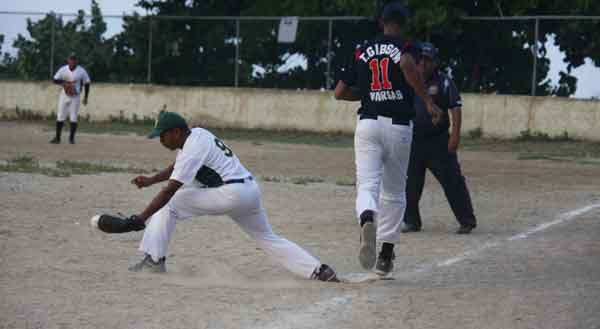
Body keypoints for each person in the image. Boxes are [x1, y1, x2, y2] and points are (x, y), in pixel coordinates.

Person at [125, 111, 339, 282]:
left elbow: (169, 190)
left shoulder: (192, 147)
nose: (160, 139)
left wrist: (140, 219)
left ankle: (154, 260)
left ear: (177, 132)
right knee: (267, 237)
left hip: (231, 194)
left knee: (170, 202)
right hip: (249, 190)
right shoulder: (198, 135)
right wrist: (152, 180)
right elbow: (177, 167)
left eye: (163, 134)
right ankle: (319, 270)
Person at [334, 2, 442, 276]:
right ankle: (385, 256)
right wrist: (428, 101)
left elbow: (339, 92)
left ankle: (367, 217)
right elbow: (406, 64)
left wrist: (367, 93)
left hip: (368, 123)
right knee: (394, 192)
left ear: (381, 22)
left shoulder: (362, 50)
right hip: (398, 126)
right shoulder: (408, 46)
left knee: (367, 185)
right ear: (403, 24)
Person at [401, 42, 477, 234]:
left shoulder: (444, 82)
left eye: (428, 61)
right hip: (414, 142)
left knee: (453, 181)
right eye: (420, 60)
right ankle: (411, 221)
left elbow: (455, 108)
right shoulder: (409, 82)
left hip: (439, 142)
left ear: (435, 62)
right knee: (410, 184)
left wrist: (456, 136)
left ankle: (466, 220)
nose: (423, 65)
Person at [50, 53, 91, 144]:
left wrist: (86, 97)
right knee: (60, 115)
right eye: (71, 59)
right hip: (64, 95)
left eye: (74, 59)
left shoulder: (81, 71)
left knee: (73, 117)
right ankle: (57, 138)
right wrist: (64, 82)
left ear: (76, 61)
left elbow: (87, 83)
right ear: (68, 60)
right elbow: (54, 79)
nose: (72, 61)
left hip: (75, 96)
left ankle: (71, 139)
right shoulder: (63, 69)